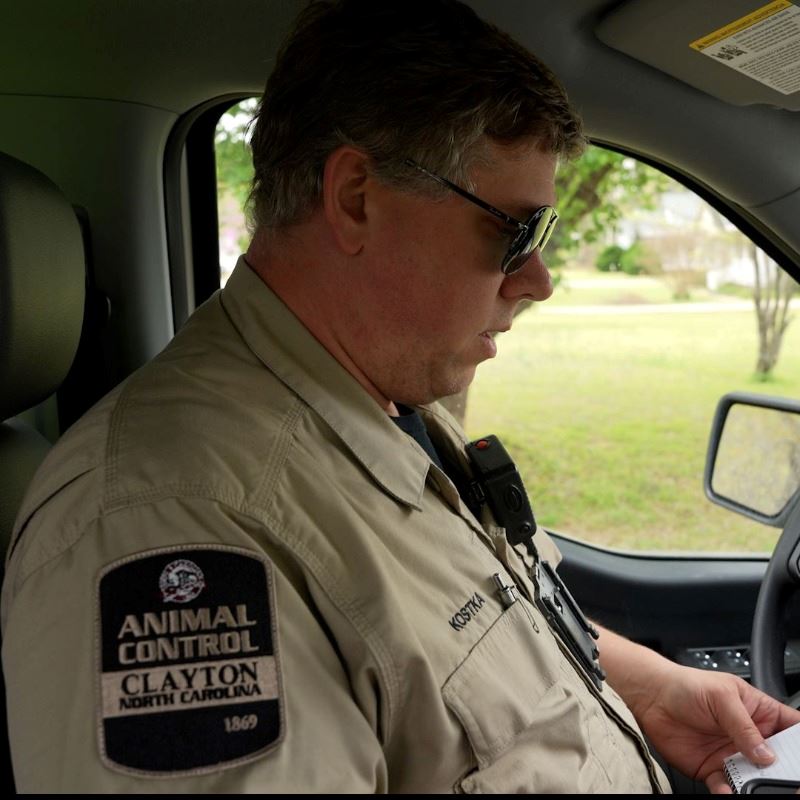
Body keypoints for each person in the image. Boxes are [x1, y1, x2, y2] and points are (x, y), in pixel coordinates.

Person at [2, 0, 799, 792]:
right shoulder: (173, 519)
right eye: (515, 232)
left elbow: (458, 635)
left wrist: (647, 691)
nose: (539, 280)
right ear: (357, 197)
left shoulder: (377, 406)